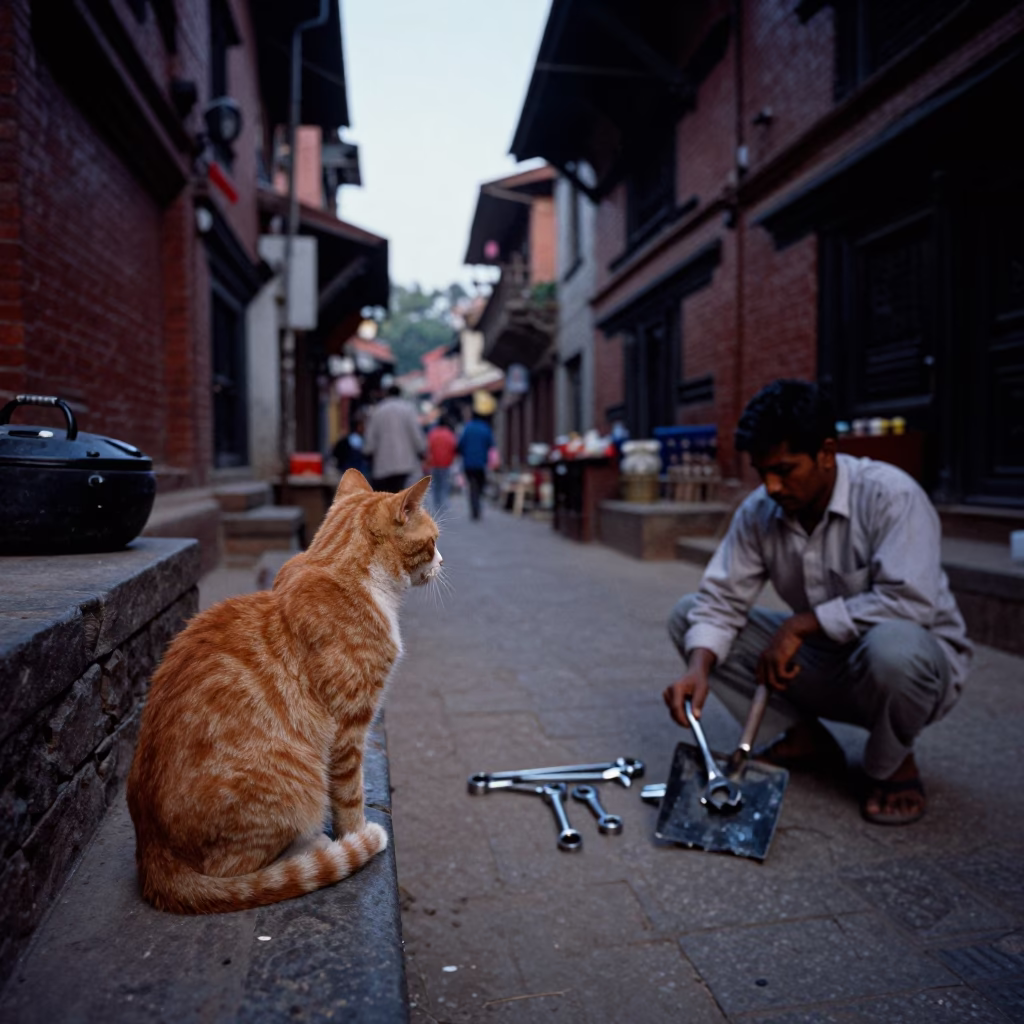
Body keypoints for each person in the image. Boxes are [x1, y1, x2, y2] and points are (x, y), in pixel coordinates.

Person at [663, 379, 971, 826]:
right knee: (688, 616)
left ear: (826, 452)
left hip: (913, 669)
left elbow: (911, 604)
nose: (770, 486)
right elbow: (720, 599)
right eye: (761, 471)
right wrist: (698, 666)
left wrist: (801, 625)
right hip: (828, 664)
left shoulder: (892, 496)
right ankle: (801, 736)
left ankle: (892, 760)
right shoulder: (758, 512)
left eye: (785, 470)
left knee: (895, 647)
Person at [363, 385, 425, 493]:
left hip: (383, 464)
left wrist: (368, 452)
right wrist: (421, 450)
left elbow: (370, 439)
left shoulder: (378, 410)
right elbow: (416, 434)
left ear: (386, 394)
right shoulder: (408, 409)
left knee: (387, 496)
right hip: (405, 463)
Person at [457, 411, 495, 520]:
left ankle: (474, 508)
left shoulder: (467, 428)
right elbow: (491, 444)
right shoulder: (485, 428)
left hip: (468, 463)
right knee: (480, 484)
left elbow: (460, 445)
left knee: (472, 485)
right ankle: (478, 504)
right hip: (481, 463)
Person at [424, 415, 457, 515]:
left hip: (434, 463)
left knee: (435, 485)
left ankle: (436, 504)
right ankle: (443, 505)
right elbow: (454, 448)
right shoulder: (450, 434)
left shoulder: (432, 434)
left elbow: (427, 447)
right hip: (446, 463)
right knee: (444, 484)